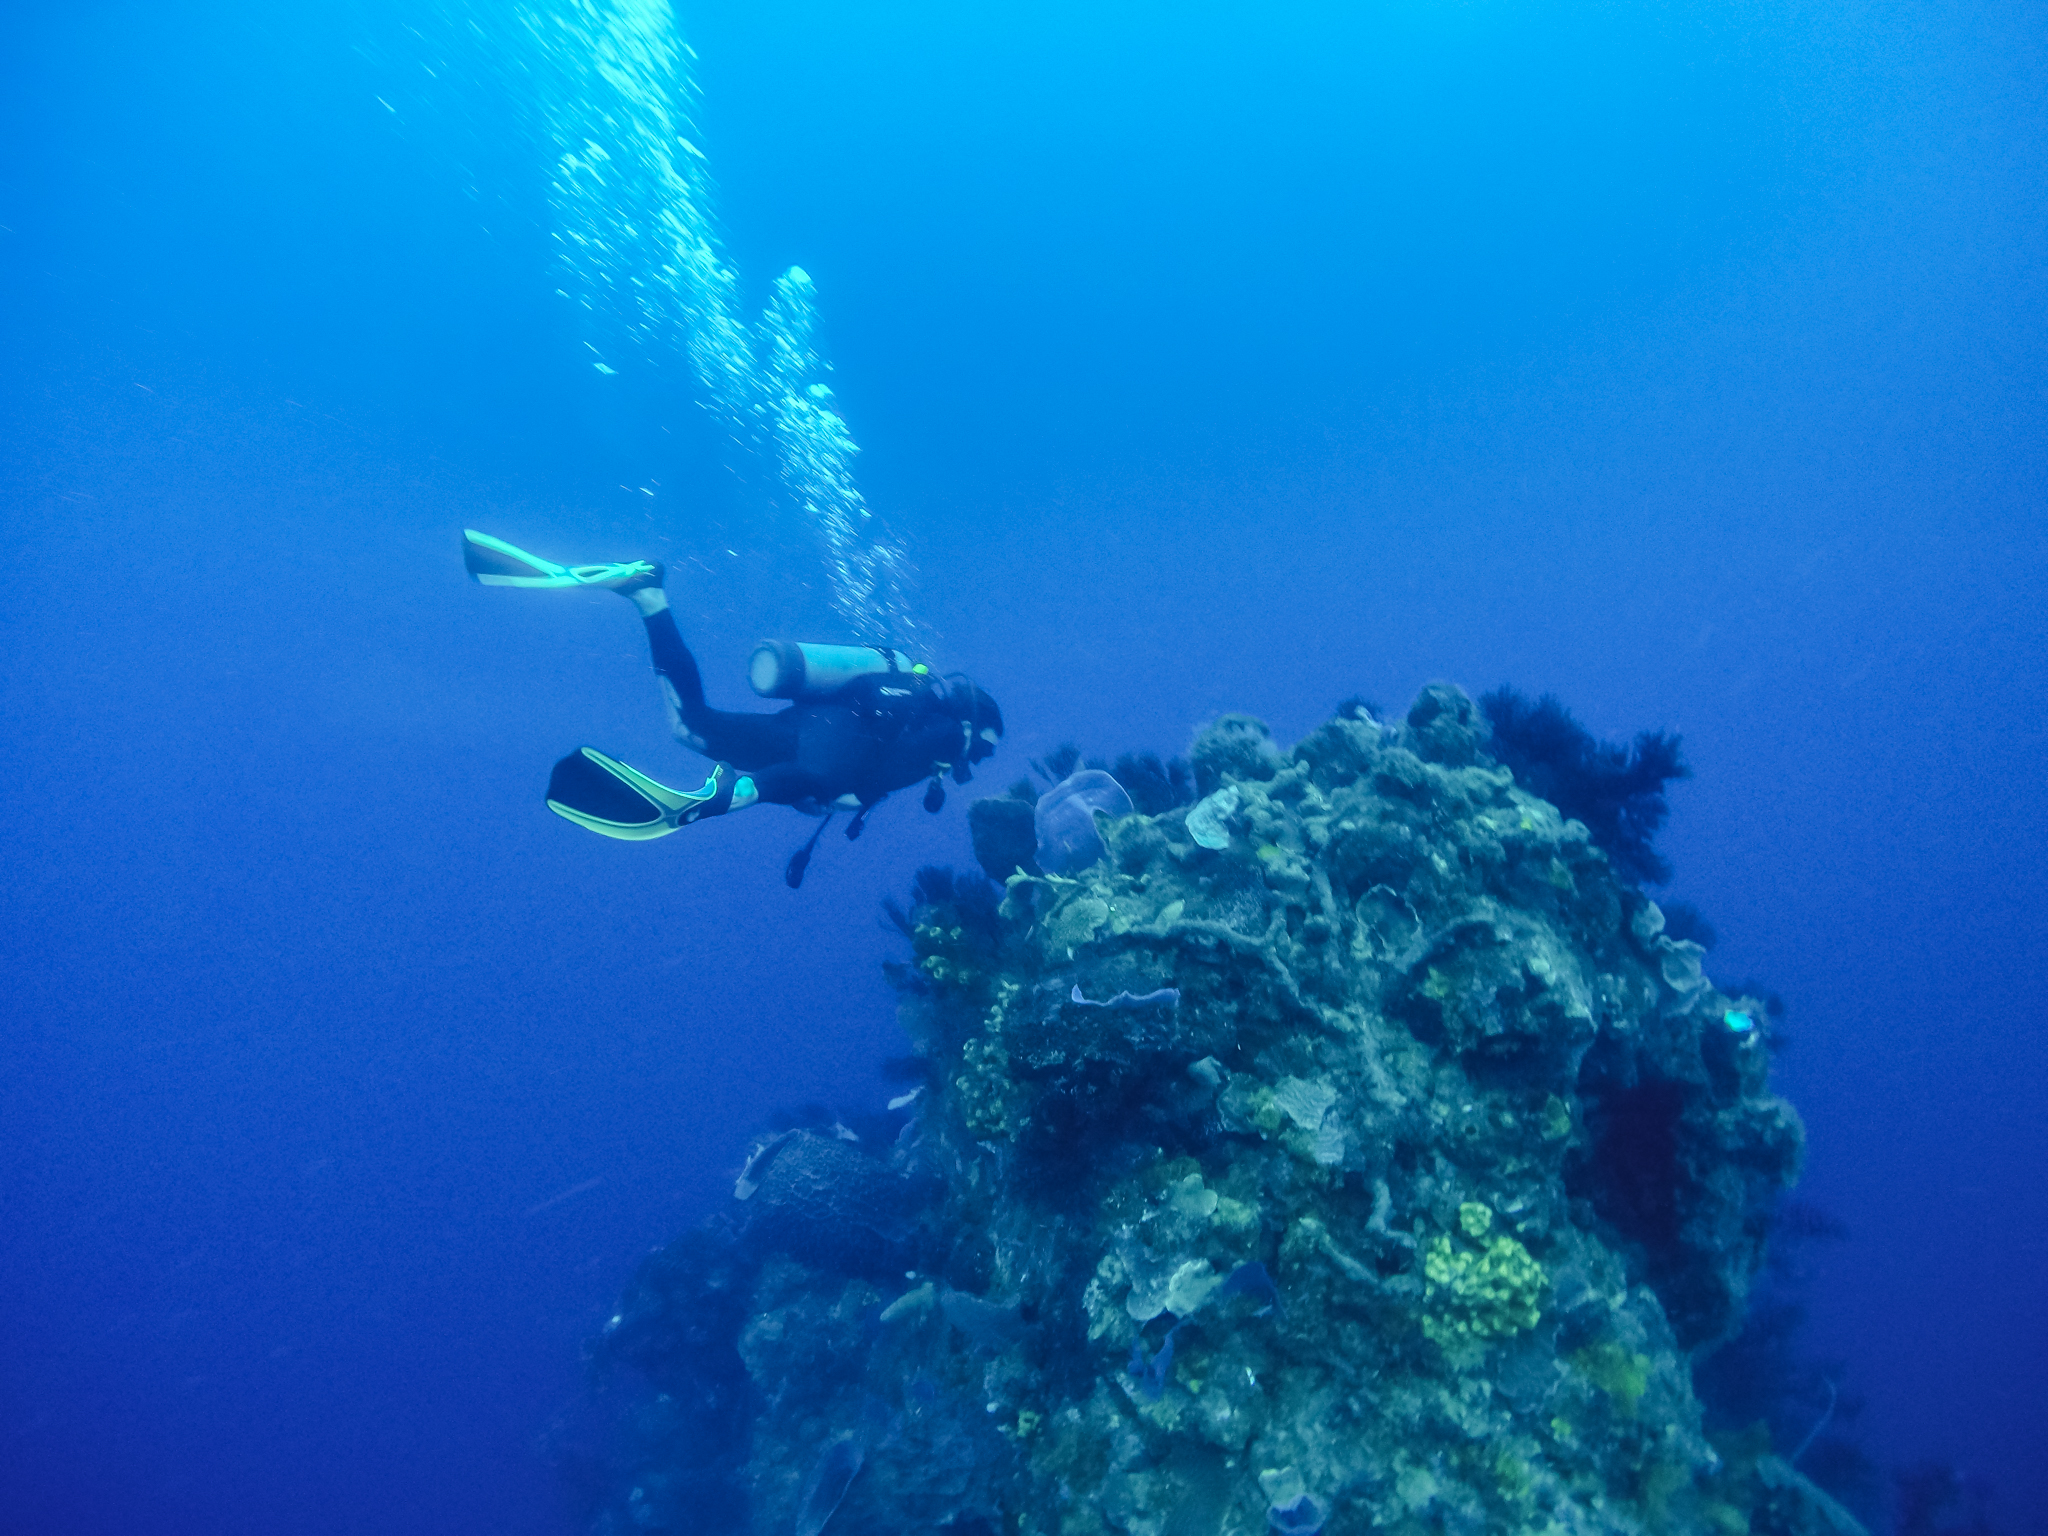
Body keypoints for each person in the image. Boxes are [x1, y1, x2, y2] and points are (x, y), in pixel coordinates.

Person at [463, 530, 1003, 885]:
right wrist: (839, 796)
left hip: (805, 727)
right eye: (984, 750)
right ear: (975, 726)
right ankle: (723, 796)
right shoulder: (947, 738)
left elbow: (864, 757)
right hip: (820, 754)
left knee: (692, 727)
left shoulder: (919, 714)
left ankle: (647, 593)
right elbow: (861, 774)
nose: (976, 760)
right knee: (804, 778)